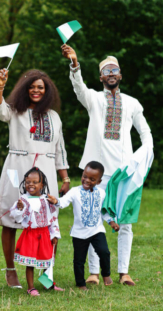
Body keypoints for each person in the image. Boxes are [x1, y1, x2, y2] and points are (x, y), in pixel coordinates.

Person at [61, 44, 153, 286]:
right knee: (92, 222)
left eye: (115, 70)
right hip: (96, 174)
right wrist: (74, 64)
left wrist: (144, 155)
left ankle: (124, 273)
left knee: (125, 224)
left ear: (120, 75)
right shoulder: (94, 99)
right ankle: (93, 272)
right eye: (106, 70)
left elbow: (145, 133)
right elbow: (78, 88)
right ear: (101, 77)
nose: (111, 73)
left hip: (124, 173)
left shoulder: (132, 103)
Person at [0, 68, 70, 288]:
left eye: (40, 87)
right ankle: (10, 270)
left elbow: (60, 148)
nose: (36, 91)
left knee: (48, 223)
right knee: (11, 220)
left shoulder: (54, 117)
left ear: (47, 91)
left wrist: (65, 178)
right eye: (32, 87)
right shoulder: (15, 111)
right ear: (25, 90)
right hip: (17, 168)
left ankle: (47, 276)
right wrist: (0, 85)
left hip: (46, 170)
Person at [48, 161, 120, 290]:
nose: (86, 180)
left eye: (92, 179)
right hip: (79, 233)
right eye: (84, 176)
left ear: (99, 181)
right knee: (79, 260)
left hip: (97, 230)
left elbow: (104, 211)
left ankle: (106, 274)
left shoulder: (102, 193)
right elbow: (63, 202)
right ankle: (81, 283)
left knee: (104, 252)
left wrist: (112, 222)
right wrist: (56, 201)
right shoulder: (75, 191)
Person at [9, 167, 63, 296]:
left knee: (47, 261)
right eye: (28, 182)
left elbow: (53, 219)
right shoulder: (23, 200)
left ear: (42, 184)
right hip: (31, 235)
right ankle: (31, 287)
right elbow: (16, 216)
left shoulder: (47, 200)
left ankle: (48, 284)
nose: (31, 185)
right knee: (30, 262)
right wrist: (20, 208)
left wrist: (54, 234)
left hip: (45, 234)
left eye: (35, 182)